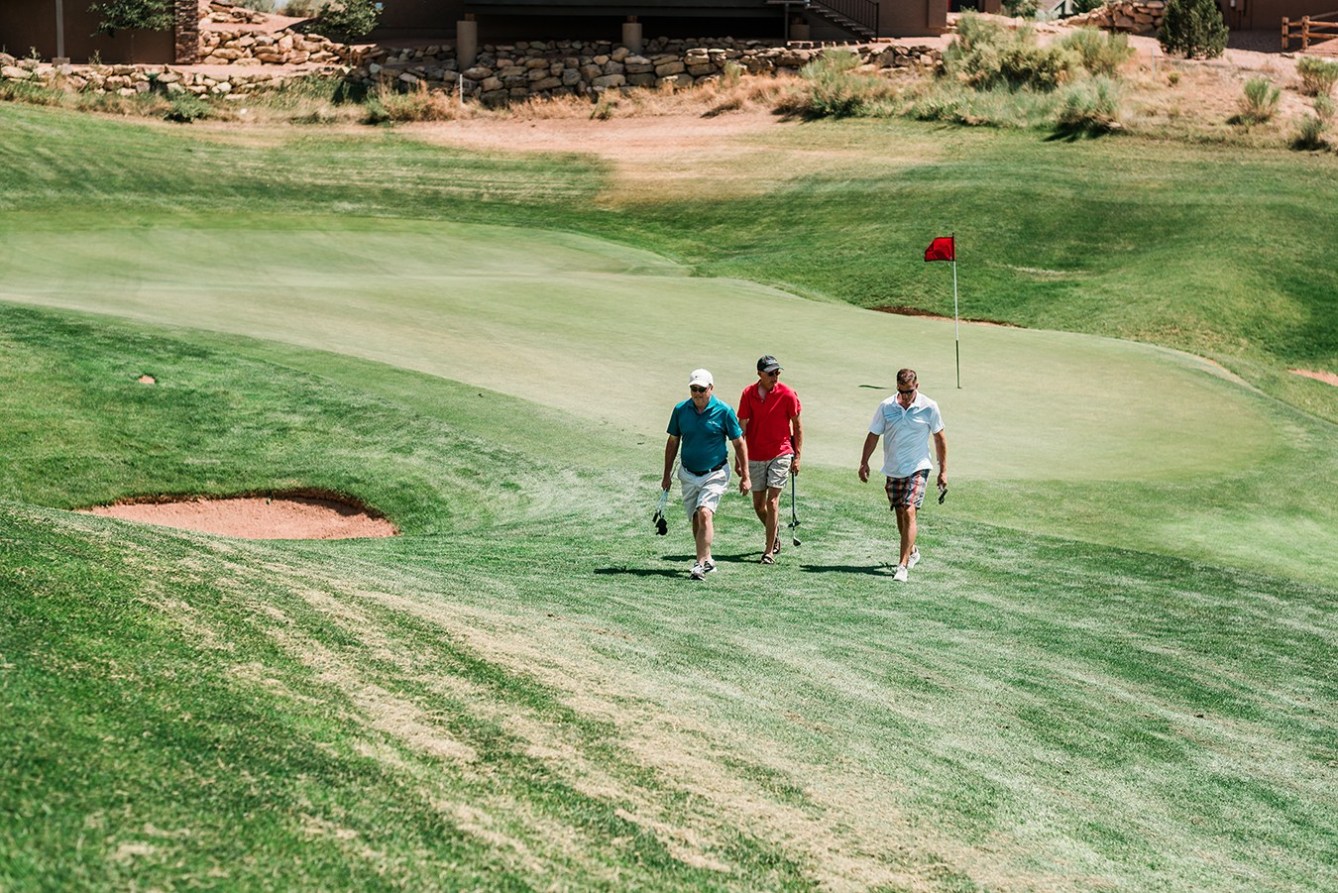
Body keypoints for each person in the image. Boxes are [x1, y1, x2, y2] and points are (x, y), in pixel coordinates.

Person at [858, 368, 947, 583]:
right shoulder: (886, 406)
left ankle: (902, 566)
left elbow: (939, 438)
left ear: (917, 386)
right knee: (900, 513)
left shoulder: (929, 406)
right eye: (902, 391)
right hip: (893, 468)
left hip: (918, 467)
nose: (906, 396)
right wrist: (864, 462)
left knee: (909, 511)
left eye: (909, 391)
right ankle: (912, 551)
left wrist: (943, 470)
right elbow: (873, 435)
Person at [662, 369, 750, 580]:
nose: (697, 393)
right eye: (694, 389)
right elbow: (673, 442)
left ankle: (699, 564)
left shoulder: (724, 410)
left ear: (711, 388)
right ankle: (707, 559)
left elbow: (738, 443)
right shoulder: (681, 410)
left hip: (715, 473)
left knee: (704, 513)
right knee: (696, 517)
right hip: (688, 473)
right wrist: (666, 475)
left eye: (701, 389)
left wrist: (745, 474)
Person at [737, 355, 803, 564]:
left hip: (781, 452)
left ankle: (768, 551)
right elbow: (742, 427)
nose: (775, 377)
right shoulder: (748, 394)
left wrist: (797, 456)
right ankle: (774, 533)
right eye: (770, 373)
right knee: (759, 505)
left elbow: (797, 426)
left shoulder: (788, 394)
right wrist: (740, 459)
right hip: (755, 454)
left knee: (772, 501)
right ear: (760, 374)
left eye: (777, 373)